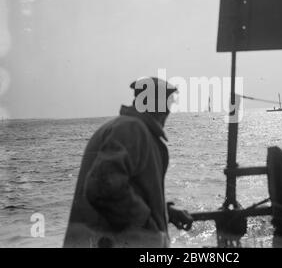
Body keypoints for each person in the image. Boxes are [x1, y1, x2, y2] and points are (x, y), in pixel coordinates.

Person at [63, 77, 193, 248]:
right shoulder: (131, 129)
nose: (168, 111)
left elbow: (124, 188)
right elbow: (103, 187)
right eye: (167, 103)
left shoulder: (126, 127)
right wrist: (147, 224)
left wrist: (165, 212)